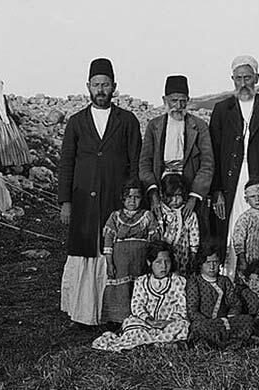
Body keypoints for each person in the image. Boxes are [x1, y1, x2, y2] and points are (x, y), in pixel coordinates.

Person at [59, 58, 142, 326]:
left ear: (114, 87)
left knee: (113, 252)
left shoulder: (127, 121)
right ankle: (80, 312)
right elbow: (66, 163)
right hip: (83, 201)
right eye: (96, 84)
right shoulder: (76, 122)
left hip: (114, 201)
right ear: (88, 87)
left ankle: (113, 315)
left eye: (106, 84)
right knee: (84, 253)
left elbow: (135, 162)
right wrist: (65, 202)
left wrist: (131, 200)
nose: (101, 89)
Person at [209, 55, 259, 280]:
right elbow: (213, 153)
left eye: (248, 77)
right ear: (232, 79)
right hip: (230, 183)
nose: (243, 83)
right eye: (238, 78)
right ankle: (233, 283)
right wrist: (216, 192)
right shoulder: (222, 109)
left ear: (257, 78)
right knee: (233, 229)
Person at [139, 75, 214, 237]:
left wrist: (194, 196)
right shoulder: (154, 126)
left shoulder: (199, 126)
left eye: (183, 101)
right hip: (160, 189)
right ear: (165, 100)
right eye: (174, 100)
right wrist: (152, 193)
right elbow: (145, 163)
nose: (178, 106)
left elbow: (207, 164)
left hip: (189, 188)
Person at [92, 241, 189, 351]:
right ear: (149, 262)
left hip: (168, 324)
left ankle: (149, 344)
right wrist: (148, 320)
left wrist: (168, 322)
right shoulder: (141, 281)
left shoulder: (178, 281)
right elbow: (137, 306)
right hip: (146, 324)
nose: (164, 266)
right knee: (130, 323)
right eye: (158, 262)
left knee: (183, 326)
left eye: (167, 262)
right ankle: (161, 344)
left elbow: (182, 307)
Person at [101, 178, 160, 325]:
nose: (132, 201)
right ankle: (118, 320)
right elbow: (108, 241)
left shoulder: (147, 216)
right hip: (120, 264)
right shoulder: (115, 217)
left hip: (140, 262)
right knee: (121, 290)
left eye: (137, 197)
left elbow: (154, 241)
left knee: (139, 288)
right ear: (123, 198)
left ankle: (141, 319)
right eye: (129, 197)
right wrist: (109, 263)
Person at [186, 242, 254, 348]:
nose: (212, 266)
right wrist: (210, 323)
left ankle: (218, 341)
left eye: (215, 262)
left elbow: (235, 303)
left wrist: (230, 317)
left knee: (248, 320)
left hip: (225, 322)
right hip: (206, 323)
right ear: (201, 264)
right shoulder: (194, 281)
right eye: (208, 262)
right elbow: (192, 310)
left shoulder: (224, 281)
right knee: (197, 327)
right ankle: (230, 340)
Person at [0, 80, 32, 172]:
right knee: (11, 140)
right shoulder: (4, 98)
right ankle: (11, 162)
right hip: (5, 122)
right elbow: (10, 110)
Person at [160, 174, 200, 276]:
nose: (175, 200)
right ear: (163, 195)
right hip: (163, 253)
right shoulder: (160, 212)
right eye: (170, 196)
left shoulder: (188, 213)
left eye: (178, 195)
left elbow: (194, 234)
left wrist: (193, 253)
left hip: (182, 253)